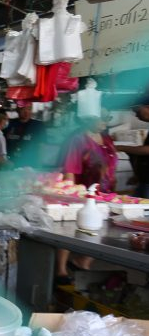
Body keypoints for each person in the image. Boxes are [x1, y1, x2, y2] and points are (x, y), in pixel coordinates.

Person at [55, 114, 118, 284]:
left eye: (108, 118)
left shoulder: (106, 138)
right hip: (81, 189)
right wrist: (71, 193)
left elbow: (111, 164)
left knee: (96, 227)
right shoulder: (77, 139)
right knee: (70, 228)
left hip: (103, 191)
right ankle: (61, 269)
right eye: (101, 118)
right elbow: (70, 168)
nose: (105, 122)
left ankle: (83, 261)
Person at [115, 103, 149, 198]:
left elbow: (147, 150)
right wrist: (138, 175)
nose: (137, 115)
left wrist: (121, 147)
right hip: (144, 180)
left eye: (138, 111)